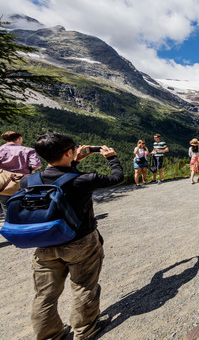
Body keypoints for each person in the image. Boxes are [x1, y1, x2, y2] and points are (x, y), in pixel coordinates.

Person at [21, 133, 123, 340]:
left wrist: (72, 161)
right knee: (84, 285)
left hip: (44, 243)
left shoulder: (28, 181)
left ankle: (50, 335)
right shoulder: (83, 180)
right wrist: (112, 158)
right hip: (80, 242)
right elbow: (116, 178)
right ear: (69, 152)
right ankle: (85, 330)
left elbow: (60, 179)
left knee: (45, 295)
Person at [0, 131, 42, 214]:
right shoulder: (28, 150)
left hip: (3, 182)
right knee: (22, 207)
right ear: (19, 138)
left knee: (6, 208)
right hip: (22, 182)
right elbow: (36, 165)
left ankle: (8, 223)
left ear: (5, 140)